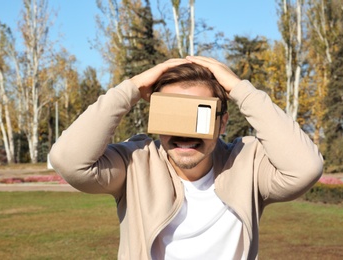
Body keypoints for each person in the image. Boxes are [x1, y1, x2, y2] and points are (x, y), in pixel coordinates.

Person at [49, 56, 323, 260]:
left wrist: (241, 90)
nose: (184, 135)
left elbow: (305, 168)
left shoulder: (246, 163)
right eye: (172, 115)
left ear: (222, 122)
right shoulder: (135, 162)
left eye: (199, 116)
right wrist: (130, 89)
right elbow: (69, 160)